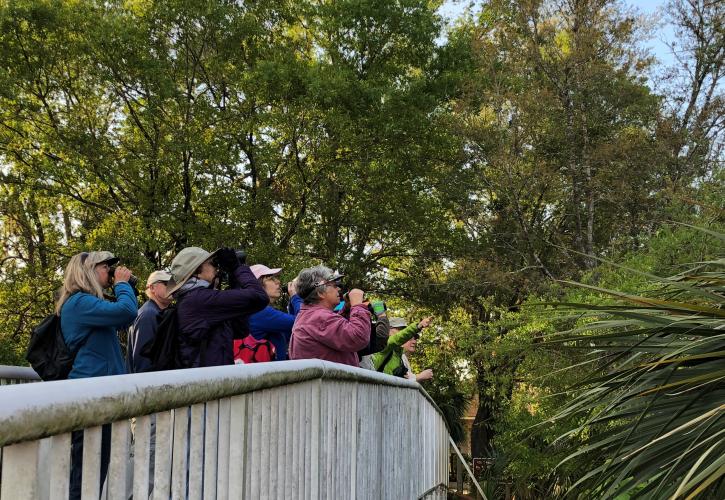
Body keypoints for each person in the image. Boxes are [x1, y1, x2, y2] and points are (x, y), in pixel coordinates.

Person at [56, 251, 138, 500]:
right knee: (85, 478)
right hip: (90, 397)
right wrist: (122, 285)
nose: (110, 272)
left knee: (93, 473)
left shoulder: (88, 304)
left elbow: (123, 319)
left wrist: (123, 287)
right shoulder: (80, 302)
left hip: (99, 395)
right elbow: (126, 312)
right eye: (105, 267)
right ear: (87, 271)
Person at [167, 246, 268, 368]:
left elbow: (240, 330)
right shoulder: (198, 300)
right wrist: (236, 267)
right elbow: (259, 297)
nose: (216, 267)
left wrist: (234, 278)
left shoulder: (196, 300)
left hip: (213, 377)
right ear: (197, 271)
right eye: (211, 263)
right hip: (206, 380)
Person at [288, 265, 371, 367]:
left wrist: (346, 310)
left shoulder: (311, 316)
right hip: (330, 383)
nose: (338, 289)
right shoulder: (318, 318)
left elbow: (333, 332)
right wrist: (358, 305)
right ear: (320, 293)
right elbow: (358, 337)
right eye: (334, 286)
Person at [247, 264, 303, 360]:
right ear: (257, 285)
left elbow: (293, 330)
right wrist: (295, 297)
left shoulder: (255, 310)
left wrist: (293, 299)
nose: (278, 281)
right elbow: (305, 321)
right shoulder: (261, 312)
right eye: (271, 279)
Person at [127, 270, 172, 373]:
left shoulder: (156, 311)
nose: (172, 287)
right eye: (166, 284)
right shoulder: (148, 315)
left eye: (173, 283)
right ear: (152, 288)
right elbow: (143, 362)